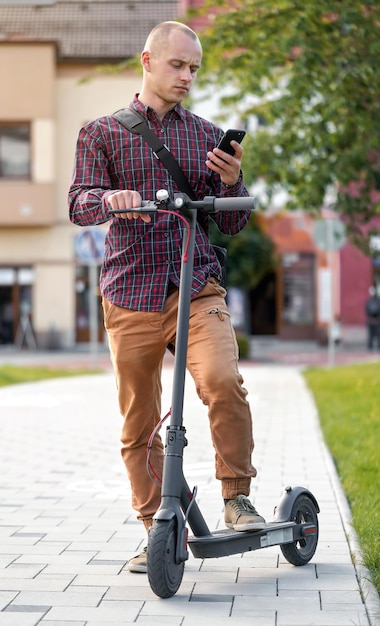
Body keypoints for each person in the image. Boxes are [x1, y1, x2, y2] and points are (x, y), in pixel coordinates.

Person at [68, 20, 265, 574]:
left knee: (223, 381)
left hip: (194, 284)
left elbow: (236, 220)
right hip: (130, 291)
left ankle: (236, 497)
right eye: (178, 65)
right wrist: (110, 198)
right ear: (148, 61)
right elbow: (78, 203)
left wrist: (232, 181)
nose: (187, 76)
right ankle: (158, 527)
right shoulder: (101, 133)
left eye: (194, 68)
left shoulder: (204, 133)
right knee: (139, 419)